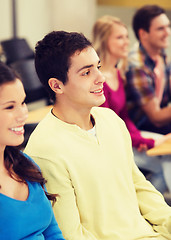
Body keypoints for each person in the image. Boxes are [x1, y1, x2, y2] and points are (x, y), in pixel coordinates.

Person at [24, 31, 171, 240]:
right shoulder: (45, 150)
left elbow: (138, 186)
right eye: (86, 72)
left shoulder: (110, 120)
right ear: (57, 85)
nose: (101, 78)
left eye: (98, 67)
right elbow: (70, 234)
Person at [92, 15, 171, 194]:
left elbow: (124, 117)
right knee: (164, 163)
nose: (127, 42)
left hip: (127, 137)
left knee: (166, 158)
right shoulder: (97, 80)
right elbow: (108, 127)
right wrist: (147, 141)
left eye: (127, 37)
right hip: (111, 145)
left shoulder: (117, 73)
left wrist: (139, 139)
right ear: (104, 41)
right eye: (120, 37)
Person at [0, 61, 65, 240]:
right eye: (10, 107)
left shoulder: (25, 164)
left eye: (23, 103)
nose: (23, 114)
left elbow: (52, 231)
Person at [125, 4, 171, 134]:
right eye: (161, 28)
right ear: (143, 34)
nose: (167, 32)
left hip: (161, 121)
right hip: (142, 127)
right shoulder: (136, 65)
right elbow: (156, 117)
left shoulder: (161, 55)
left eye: (167, 26)